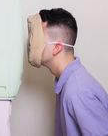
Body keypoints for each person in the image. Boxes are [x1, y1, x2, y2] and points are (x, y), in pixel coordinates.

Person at [27, 8, 108, 136]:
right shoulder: (67, 82)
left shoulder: (77, 92)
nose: (31, 43)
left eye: (38, 37)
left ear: (57, 48)